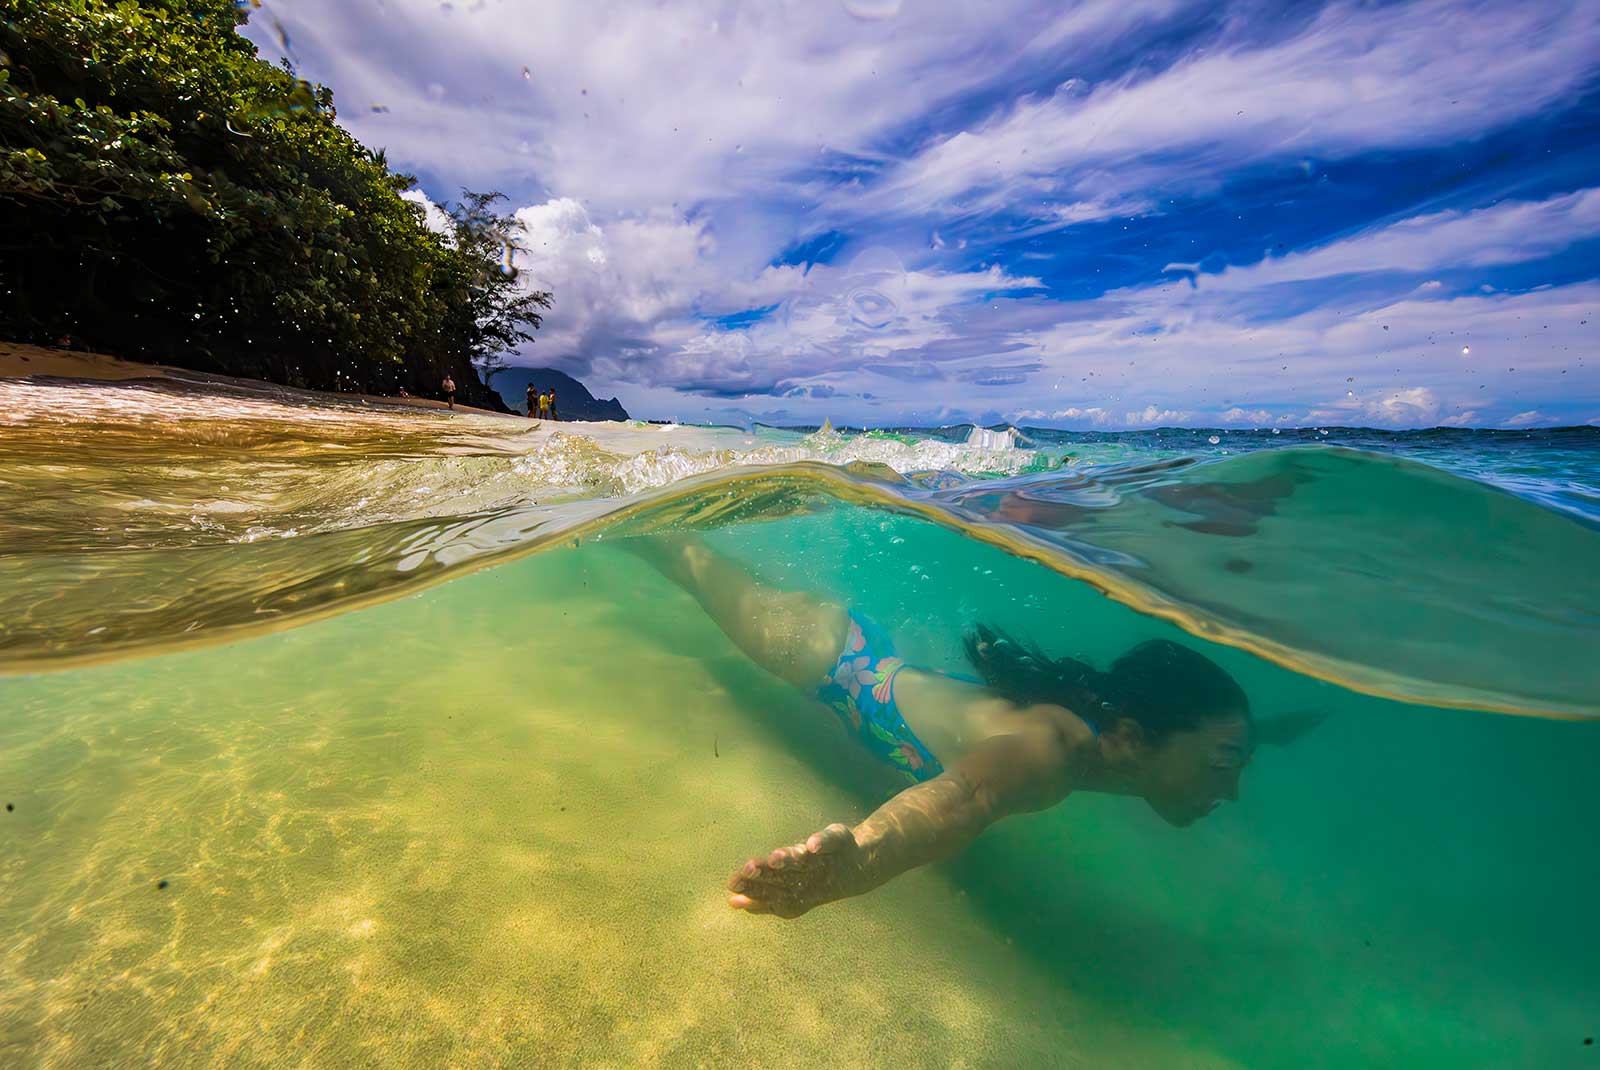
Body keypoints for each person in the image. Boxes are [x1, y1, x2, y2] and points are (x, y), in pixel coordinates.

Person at [627, 534, 1322, 919]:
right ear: (1136, 737)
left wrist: (1273, 731)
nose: (1231, 790)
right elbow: (964, 799)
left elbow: (1235, 742)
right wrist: (856, 864)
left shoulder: (1117, 739)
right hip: (823, 657)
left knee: (700, 561)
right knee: (676, 554)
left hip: (853, 648)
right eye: (1224, 761)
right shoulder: (1053, 752)